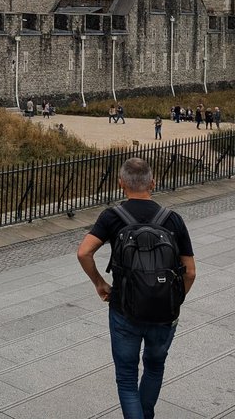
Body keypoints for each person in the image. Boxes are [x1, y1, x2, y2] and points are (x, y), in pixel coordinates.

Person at [76, 158, 196, 419]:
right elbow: (190, 271)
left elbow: (84, 252)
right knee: (154, 367)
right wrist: (172, 300)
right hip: (164, 313)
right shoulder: (172, 219)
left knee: (127, 377)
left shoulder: (112, 217)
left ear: (121, 184)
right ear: (153, 183)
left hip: (124, 309)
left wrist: (99, 283)